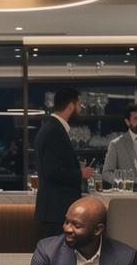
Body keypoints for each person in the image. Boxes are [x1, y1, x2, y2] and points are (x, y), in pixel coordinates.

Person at [34, 87, 94, 239]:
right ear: (71, 106)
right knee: (58, 257)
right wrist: (80, 173)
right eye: (79, 105)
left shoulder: (51, 128)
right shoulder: (54, 131)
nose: (80, 109)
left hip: (54, 209)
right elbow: (52, 172)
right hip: (57, 210)